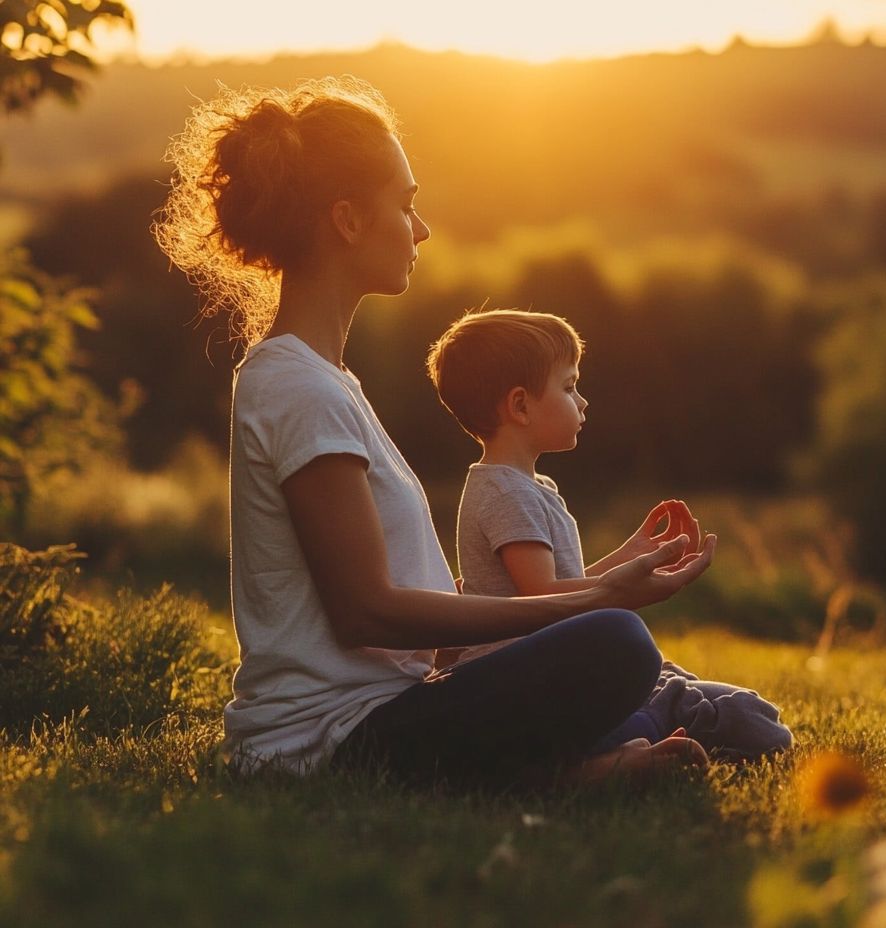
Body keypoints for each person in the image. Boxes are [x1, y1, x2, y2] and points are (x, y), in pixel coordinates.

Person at [152, 76, 717, 785]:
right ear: (349, 220)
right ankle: (571, 771)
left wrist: (597, 582)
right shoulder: (296, 385)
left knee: (609, 646)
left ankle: (580, 762)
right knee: (618, 644)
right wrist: (600, 599)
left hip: (389, 708)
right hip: (331, 742)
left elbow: (397, 601)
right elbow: (367, 613)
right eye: (407, 205)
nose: (421, 230)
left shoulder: (326, 382)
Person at [425, 309, 792, 761]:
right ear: (520, 406)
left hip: (561, 665)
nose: (582, 402)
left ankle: (653, 721)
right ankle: (633, 736)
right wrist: (627, 588)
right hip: (538, 680)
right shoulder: (504, 492)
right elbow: (541, 597)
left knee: (731, 705)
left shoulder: (531, 487)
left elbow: (557, 588)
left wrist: (625, 557)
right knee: (751, 720)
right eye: (568, 387)